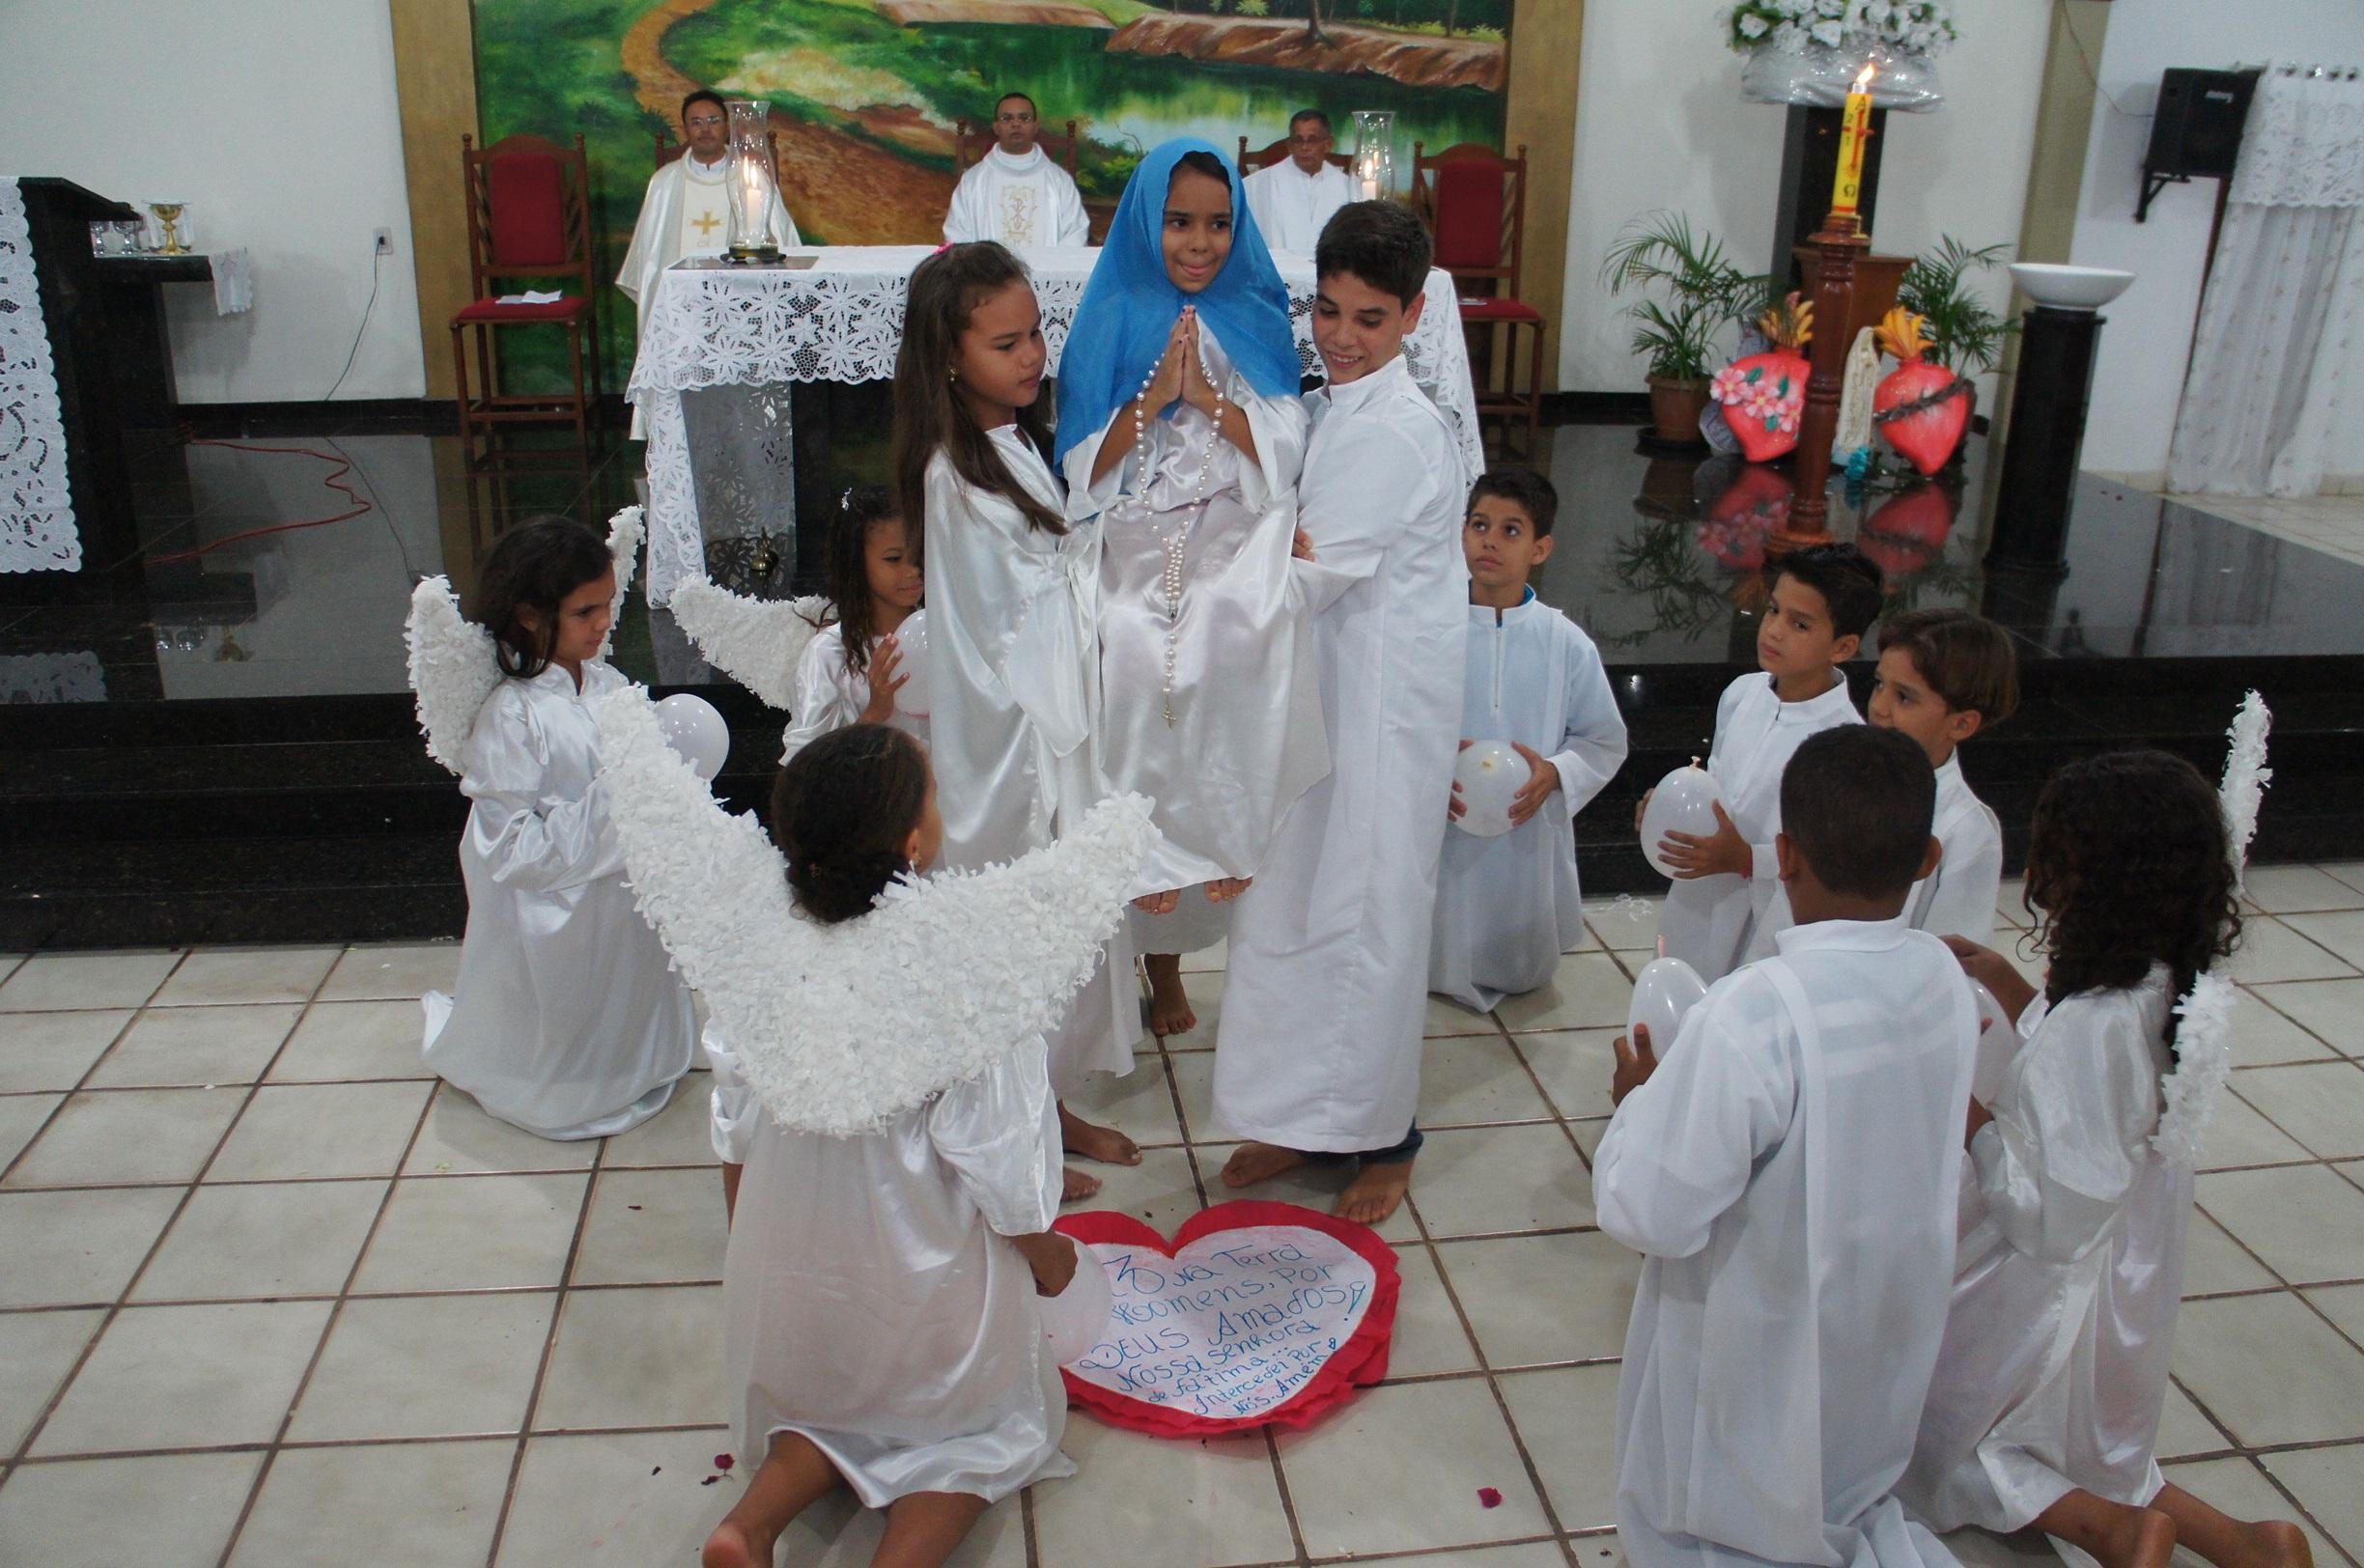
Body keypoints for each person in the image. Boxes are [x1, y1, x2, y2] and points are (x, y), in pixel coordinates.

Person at [691, 725, 1119, 1568]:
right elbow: (996, 1158)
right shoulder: (960, 968)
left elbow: (734, 1115)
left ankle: (750, 1525)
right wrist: (1049, 1256)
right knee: (969, 1437)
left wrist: (753, 1249)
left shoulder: (766, 955)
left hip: (799, 1261)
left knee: (818, 1410)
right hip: (924, 1270)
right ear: (916, 842)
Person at [1905, 751, 2312, 1568]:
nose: (2038, 866)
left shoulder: (2098, 1020)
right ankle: (2250, 1546)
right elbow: (2084, 1101)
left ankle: (2113, 1533)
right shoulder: (2149, 983)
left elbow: (2045, 1207)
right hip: (2121, 1259)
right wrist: (2016, 991)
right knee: (2091, 1443)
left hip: (2052, 1274)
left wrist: (1953, 1093)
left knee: (1950, 1431)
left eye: (2056, 853)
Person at [1596, 724, 1975, 1568]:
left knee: (1729, 1508)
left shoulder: (1752, 1012)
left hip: (1759, 1326)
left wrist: (1639, 1105)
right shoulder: (1945, 978)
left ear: (1787, 855)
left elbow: (1652, 1212)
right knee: (1840, 1473)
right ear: (1926, 860)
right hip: (1883, 1315)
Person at [1210, 202, 1466, 1225]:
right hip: (1321, 691)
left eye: (1370, 317)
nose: (1342, 337)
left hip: (1376, 710)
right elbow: (1295, 542)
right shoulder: (1337, 405)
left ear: (1412, 317)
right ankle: (1294, 1115)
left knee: (1363, 917)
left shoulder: (1397, 430)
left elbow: (1309, 574)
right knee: (1290, 903)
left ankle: (1383, 1133)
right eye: (1328, 310)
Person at [1055, 138, 1324, 1041]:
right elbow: (1080, 469)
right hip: (1135, 524)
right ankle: (1149, 897)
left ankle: (1229, 836)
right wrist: (1149, 402)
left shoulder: (1251, 307)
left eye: (1218, 223)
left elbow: (1285, 446)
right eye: (1179, 223)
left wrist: (1213, 400)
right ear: (1145, 221)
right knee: (1130, 641)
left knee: (1234, 622)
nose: (1200, 243)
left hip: (1230, 518)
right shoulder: (1115, 310)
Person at [896, 240, 1140, 1201]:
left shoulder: (1002, 444)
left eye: (1037, 329)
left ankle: (1048, 1102)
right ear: (951, 359)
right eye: (1006, 342)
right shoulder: (955, 475)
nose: (1034, 354)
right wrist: (1131, 532)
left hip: (1039, 729)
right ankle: (1009, 1141)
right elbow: (1035, 609)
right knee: (1016, 944)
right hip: (1006, 748)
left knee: (1060, 943)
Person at [420, 517, 696, 1138]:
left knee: (628, 977)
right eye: (584, 611)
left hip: (621, 892)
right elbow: (511, 849)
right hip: (557, 906)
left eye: (606, 604)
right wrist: (618, 803)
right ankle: (566, 1072)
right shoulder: (512, 717)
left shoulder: (608, 685)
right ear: (529, 615)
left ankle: (634, 1056)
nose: (604, 622)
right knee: (572, 1009)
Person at [700, 485, 926, 1218]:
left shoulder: (950, 627)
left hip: (936, 824)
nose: (911, 572)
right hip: (865, 838)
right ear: (856, 564)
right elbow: (803, 769)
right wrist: (877, 716)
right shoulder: (833, 653)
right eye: (893, 558)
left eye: (920, 555)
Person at [1430, 467, 1627, 1012]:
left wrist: (1557, 773)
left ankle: (1512, 957)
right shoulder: (1428, 627)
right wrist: (1428, 767)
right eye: (1478, 524)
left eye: (1511, 530)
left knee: (1520, 964)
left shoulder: (1565, 643)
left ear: (1541, 548)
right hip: (1442, 815)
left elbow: (1602, 740)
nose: (1489, 540)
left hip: (1524, 828)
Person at [1648, 542, 1879, 983]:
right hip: (1702, 895)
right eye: (1774, 610)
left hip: (1771, 918)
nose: (1773, 631)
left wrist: (1748, 859)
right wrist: (1672, 808)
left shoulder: (1845, 745)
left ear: (1844, 646)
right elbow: (1716, 785)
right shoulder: (1742, 694)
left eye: (1800, 624)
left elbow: (1825, 860)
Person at [618, 90, 801, 435]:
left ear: (728, 126)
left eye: (713, 121)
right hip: (679, 305)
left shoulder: (751, 176)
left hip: (738, 299)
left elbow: (780, 241)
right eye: (696, 122)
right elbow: (648, 259)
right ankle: (675, 427)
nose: (705, 130)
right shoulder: (664, 182)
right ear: (685, 129)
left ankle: (752, 422)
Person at [1867, 607, 2016, 947]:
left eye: (1903, 697)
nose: (1879, 707)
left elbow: (1951, 957)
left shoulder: (1967, 832)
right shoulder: (1843, 773)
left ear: (1961, 724)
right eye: (1879, 685)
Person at [943, 93, 1089, 249]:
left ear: (1035, 126)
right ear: (996, 127)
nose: (1016, 124)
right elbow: (957, 234)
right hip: (988, 272)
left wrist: (1048, 268)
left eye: (1024, 118)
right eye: (1007, 118)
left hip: (1047, 270)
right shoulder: (973, 181)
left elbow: (1075, 233)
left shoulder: (1059, 181)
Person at [1243, 108, 1352, 256]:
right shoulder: (1257, 186)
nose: (1304, 147)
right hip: (1279, 273)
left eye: (1312, 140)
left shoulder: (1349, 187)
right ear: (1290, 144)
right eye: (1298, 140)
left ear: (1328, 144)